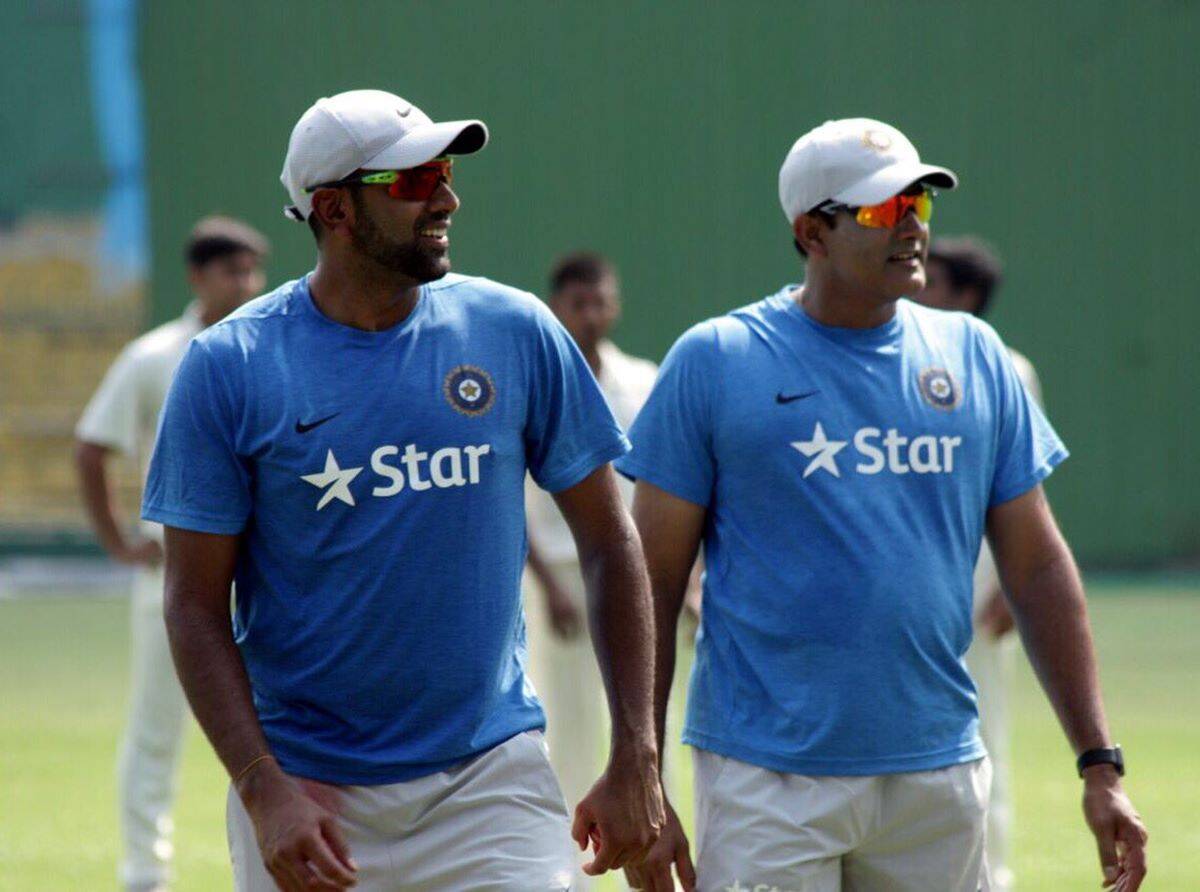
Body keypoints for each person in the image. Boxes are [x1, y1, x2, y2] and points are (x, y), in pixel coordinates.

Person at [141, 89, 663, 892]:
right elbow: (193, 604)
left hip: (492, 780)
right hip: (309, 797)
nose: (447, 197)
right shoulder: (229, 368)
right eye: (414, 181)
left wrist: (636, 754)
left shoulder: (514, 330)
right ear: (334, 209)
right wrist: (261, 787)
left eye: (445, 172)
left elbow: (609, 538)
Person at [619, 118, 1148, 892]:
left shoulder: (976, 356)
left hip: (938, 775)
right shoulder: (716, 359)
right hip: (767, 780)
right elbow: (652, 584)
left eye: (917, 205)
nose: (908, 225)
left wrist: (1100, 764)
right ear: (811, 232)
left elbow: (1036, 569)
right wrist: (644, 774)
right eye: (878, 210)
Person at [75, 216, 269, 892]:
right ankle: (145, 873)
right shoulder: (156, 356)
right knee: (158, 723)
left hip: (268, 569)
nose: (244, 283)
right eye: (231, 270)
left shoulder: (274, 347)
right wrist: (118, 542)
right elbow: (92, 444)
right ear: (197, 276)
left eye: (252, 270)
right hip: (175, 568)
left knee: (280, 719)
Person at [522, 251, 660, 889]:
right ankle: (572, 870)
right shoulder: (535, 378)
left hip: (626, 575)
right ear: (557, 306)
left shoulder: (642, 379)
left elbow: (656, 490)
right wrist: (548, 588)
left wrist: (677, 584)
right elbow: (514, 501)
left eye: (601, 299)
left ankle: (646, 841)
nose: (591, 313)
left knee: (637, 725)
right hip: (556, 577)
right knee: (562, 727)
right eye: (578, 302)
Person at [916, 236, 1040, 891]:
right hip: (919, 593)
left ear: (966, 295)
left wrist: (1010, 591)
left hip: (981, 594)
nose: (917, 286)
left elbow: (1023, 491)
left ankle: (994, 874)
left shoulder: (1007, 368)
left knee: (983, 736)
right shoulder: (907, 352)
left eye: (932, 279)